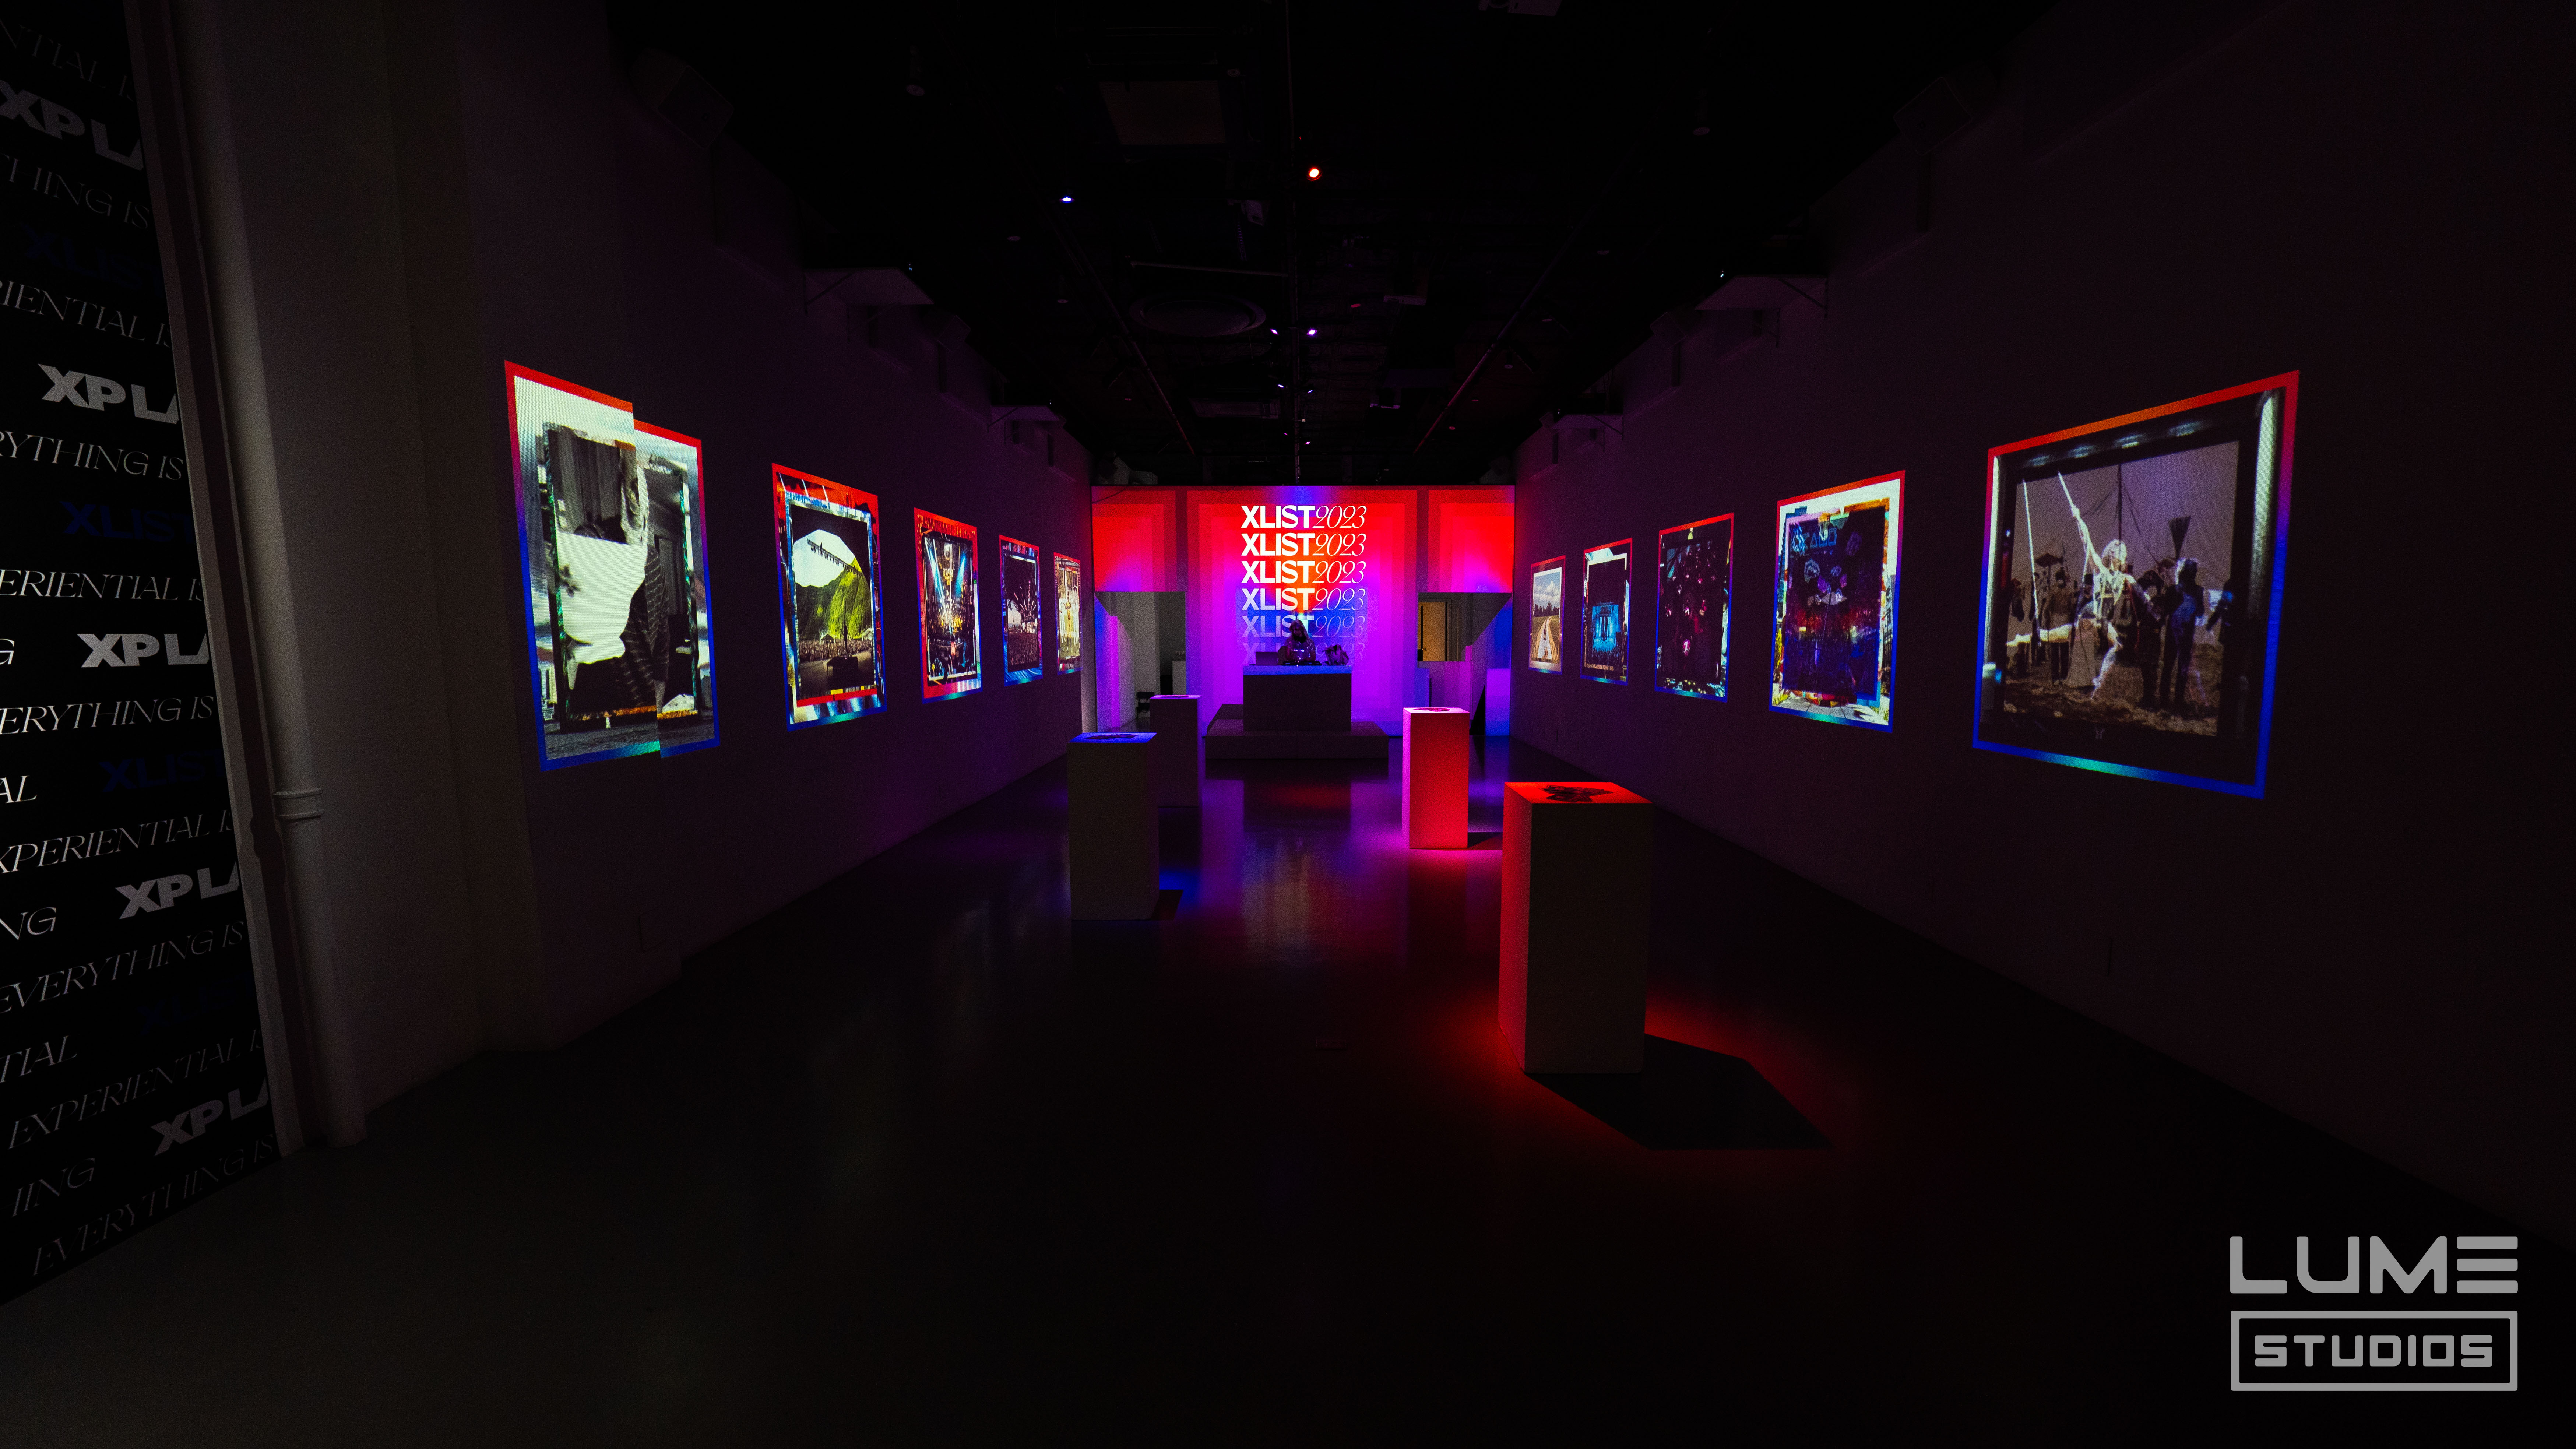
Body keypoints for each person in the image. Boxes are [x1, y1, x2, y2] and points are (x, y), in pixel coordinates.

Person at [2160, 558, 2211, 716]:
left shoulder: (2177, 590)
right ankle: (2174, 699)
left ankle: (2168, 699)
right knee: (2177, 667)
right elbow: (2200, 612)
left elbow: (2166, 612)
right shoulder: (2194, 591)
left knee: (2172, 667)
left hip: (2178, 633)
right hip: (2183, 634)